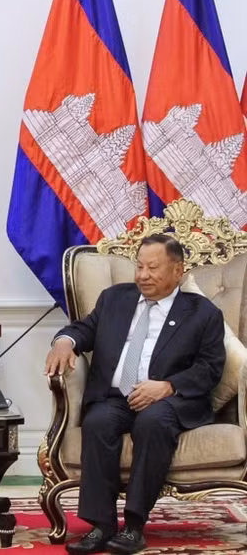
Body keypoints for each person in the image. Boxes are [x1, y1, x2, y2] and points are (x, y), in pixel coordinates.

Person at [44, 234, 225, 555]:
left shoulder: (202, 312)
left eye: (153, 268)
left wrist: (168, 386)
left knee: (152, 423)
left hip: (169, 400)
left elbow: (210, 368)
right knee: (97, 422)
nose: (143, 275)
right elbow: (83, 329)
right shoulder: (114, 299)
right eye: (139, 267)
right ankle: (101, 526)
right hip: (116, 397)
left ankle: (134, 526)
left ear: (178, 270)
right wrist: (63, 341)